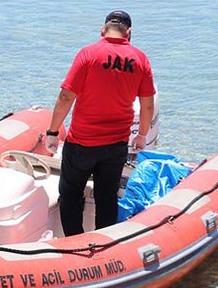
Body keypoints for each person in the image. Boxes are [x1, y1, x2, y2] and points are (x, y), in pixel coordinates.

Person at [44, 10, 156, 236]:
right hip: (115, 145)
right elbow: (147, 105)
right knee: (107, 197)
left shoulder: (88, 54)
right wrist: (142, 135)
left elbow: (66, 96)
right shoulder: (140, 59)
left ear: (103, 29)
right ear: (129, 33)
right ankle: (104, 245)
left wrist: (53, 132)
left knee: (70, 194)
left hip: (81, 144)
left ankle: (74, 241)